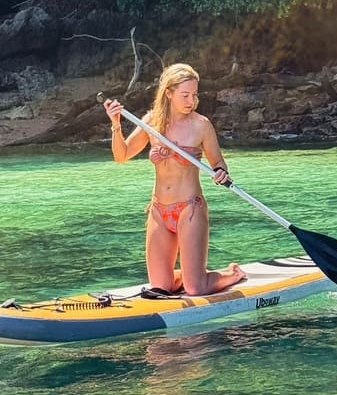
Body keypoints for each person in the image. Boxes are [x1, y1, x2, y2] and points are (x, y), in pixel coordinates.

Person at [103, 63, 248, 297]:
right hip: (159, 211)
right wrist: (116, 124)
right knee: (160, 288)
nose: (191, 101)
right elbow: (121, 156)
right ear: (168, 93)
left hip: (190, 209)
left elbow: (218, 163)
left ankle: (232, 273)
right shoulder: (152, 122)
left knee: (195, 289)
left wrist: (221, 173)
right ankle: (188, 274)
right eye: (185, 95)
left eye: (194, 95)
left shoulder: (201, 125)